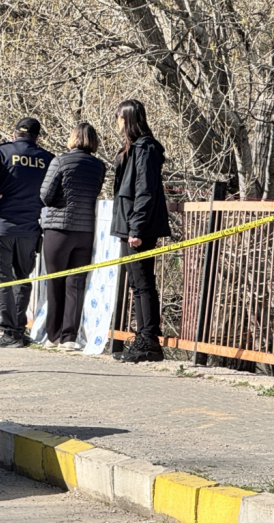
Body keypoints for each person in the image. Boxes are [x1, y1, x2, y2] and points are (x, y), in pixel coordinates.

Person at [0, 117, 54, 348]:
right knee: (21, 278)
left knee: (1, 280)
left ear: (14, 133)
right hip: (29, 228)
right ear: (37, 137)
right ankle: (18, 330)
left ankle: (9, 332)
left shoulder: (1, 153)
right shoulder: (46, 158)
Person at [110, 100, 171, 364]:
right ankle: (143, 336)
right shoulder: (132, 149)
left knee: (143, 283)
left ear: (128, 119)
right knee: (136, 284)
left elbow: (145, 190)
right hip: (128, 225)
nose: (117, 122)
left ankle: (149, 341)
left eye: (118, 117)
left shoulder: (145, 149)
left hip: (138, 227)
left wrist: (136, 227)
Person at [40, 122, 106, 351]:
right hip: (85, 229)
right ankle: (70, 337)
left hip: (58, 229)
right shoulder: (99, 166)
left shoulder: (60, 161)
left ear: (73, 138)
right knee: (75, 284)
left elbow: (46, 195)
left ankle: (53, 335)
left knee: (55, 281)